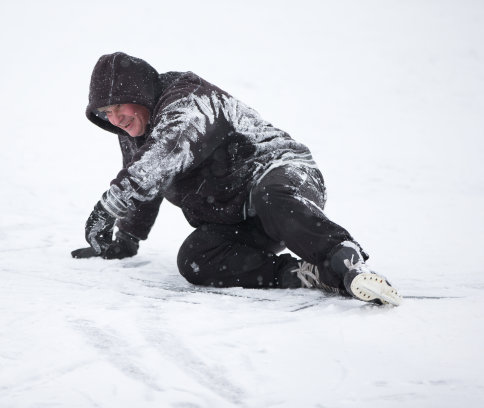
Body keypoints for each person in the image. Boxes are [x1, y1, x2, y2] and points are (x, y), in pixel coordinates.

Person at [71, 51, 402, 306]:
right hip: (236, 214)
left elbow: (163, 156)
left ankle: (346, 263)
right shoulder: (136, 130)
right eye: (105, 113)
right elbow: (147, 179)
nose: (114, 119)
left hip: (281, 175)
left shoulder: (190, 100)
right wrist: (127, 239)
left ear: (139, 92)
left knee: (272, 197)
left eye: (118, 107)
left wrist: (107, 208)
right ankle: (305, 275)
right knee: (196, 260)